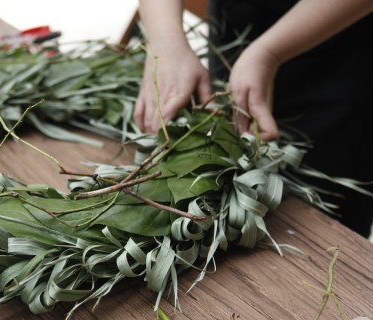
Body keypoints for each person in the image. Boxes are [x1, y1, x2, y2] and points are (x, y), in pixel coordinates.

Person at [134, 0, 373, 237]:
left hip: (342, 44)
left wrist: (268, 53)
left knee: (318, 225)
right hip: (239, 24)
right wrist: (165, 41)